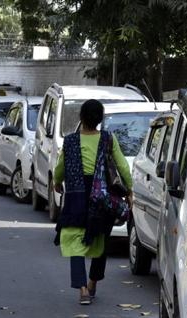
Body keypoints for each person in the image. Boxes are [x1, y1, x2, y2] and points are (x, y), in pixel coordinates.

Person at [53, 99, 133, 305]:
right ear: (100, 119)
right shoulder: (107, 139)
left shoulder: (70, 141)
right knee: (100, 241)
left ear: (81, 117)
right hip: (101, 197)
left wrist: (56, 182)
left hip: (76, 196)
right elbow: (123, 165)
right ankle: (92, 283)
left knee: (74, 240)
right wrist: (130, 190)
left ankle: (82, 289)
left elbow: (60, 166)